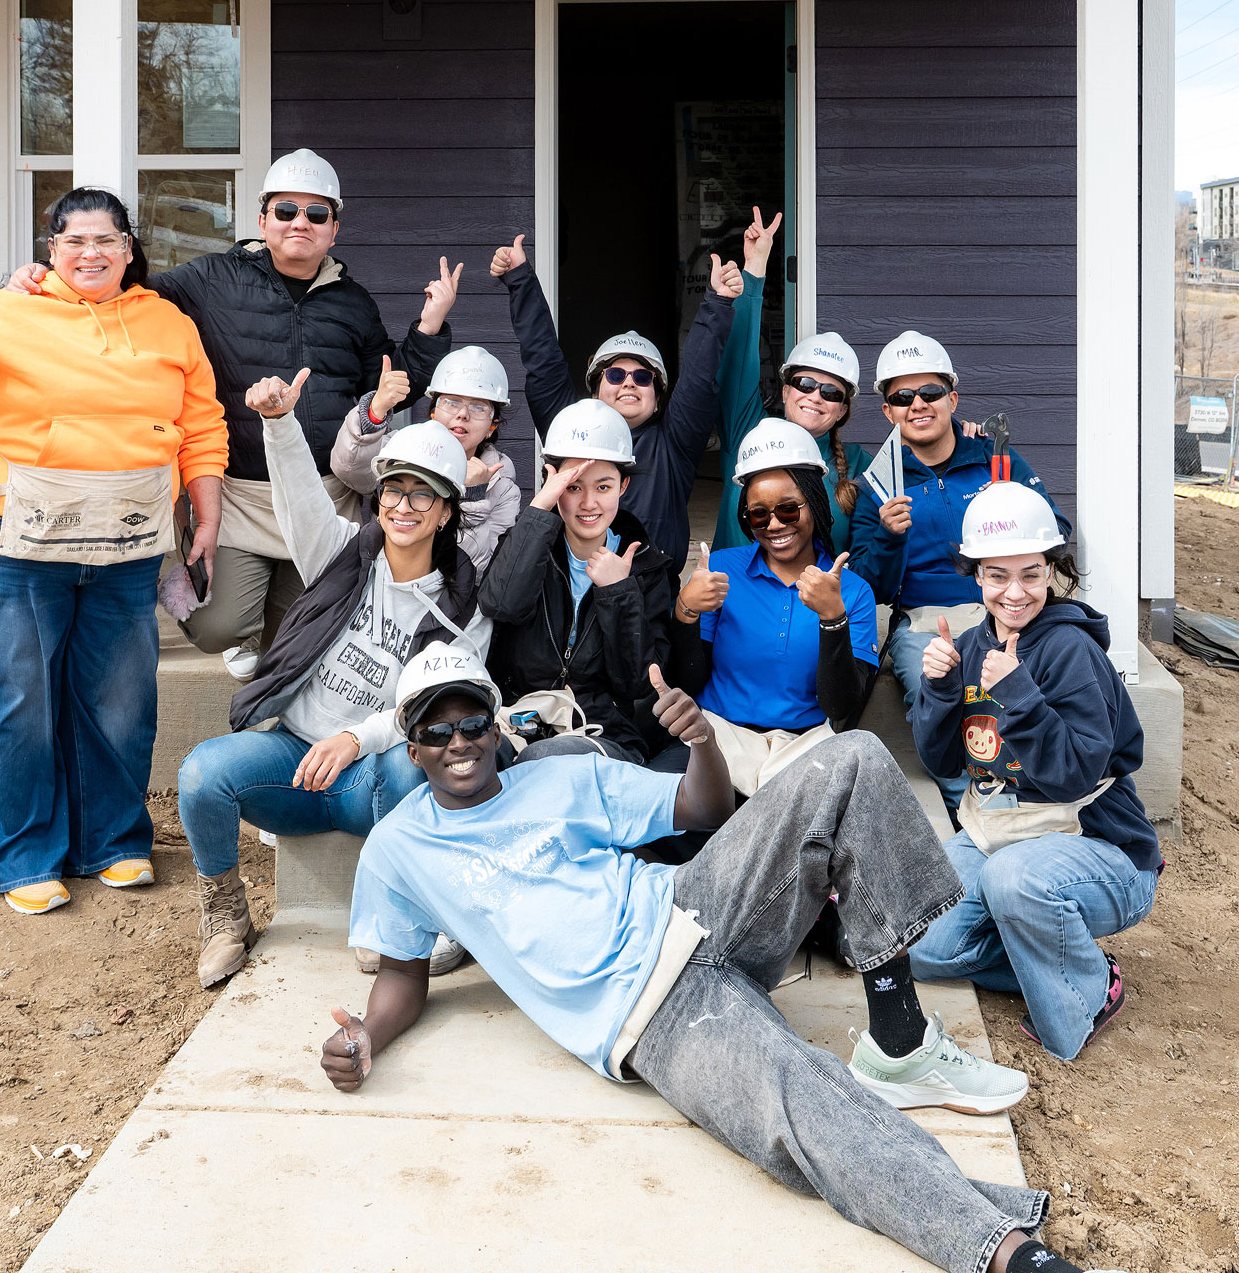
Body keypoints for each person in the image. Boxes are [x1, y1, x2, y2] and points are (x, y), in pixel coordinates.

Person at [316, 644, 1122, 1273]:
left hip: (696, 904)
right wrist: (367, 1040)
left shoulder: (560, 777)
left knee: (853, 760)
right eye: (435, 729)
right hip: (653, 1015)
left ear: (493, 725)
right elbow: (401, 978)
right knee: (804, 1106)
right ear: (412, 746)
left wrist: (702, 743)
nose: (459, 743)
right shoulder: (398, 850)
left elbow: (702, 810)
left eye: (471, 723)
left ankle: (900, 1036)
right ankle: (1010, 1254)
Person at [0, 188, 230, 915]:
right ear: (51, 250)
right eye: (74, 241)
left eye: (107, 240)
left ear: (131, 249)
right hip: (19, 532)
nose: (91, 253)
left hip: (128, 539)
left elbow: (201, 423)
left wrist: (207, 511)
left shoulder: (168, 323)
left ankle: (113, 839)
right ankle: (24, 852)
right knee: (20, 697)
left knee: (121, 697)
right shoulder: (3, 311)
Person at [11, 150, 458, 678]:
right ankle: (246, 631)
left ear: (333, 229)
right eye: (287, 210)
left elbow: (389, 387)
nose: (301, 223)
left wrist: (429, 328)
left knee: (307, 628)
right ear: (263, 218)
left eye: (317, 214)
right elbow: (121, 290)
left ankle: (276, 644)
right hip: (237, 497)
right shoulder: (212, 278)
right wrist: (42, 278)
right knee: (214, 625)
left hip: (319, 497)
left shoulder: (352, 302)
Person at [177, 376, 488, 987]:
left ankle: (407, 911)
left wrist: (356, 737)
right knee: (201, 775)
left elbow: (437, 710)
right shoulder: (342, 553)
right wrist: (280, 424)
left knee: (413, 763)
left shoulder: (462, 607)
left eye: (422, 496)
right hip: (294, 762)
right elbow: (300, 503)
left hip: (372, 777)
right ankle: (224, 914)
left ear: (447, 511)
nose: (403, 506)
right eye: (393, 490)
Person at [908, 482, 1162, 1062]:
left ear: (1053, 570)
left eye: (1031, 573)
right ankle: (1059, 952)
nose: (1015, 592)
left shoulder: (1071, 650)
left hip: (1102, 853)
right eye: (998, 575)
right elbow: (944, 762)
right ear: (976, 575)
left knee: (1012, 881)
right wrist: (943, 690)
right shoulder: (972, 645)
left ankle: (1089, 990)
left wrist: (1018, 691)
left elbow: (1075, 774)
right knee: (924, 944)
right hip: (1001, 836)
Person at [848, 330, 1070, 813]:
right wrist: (888, 536)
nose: (918, 405)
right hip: (928, 620)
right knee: (942, 703)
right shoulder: (880, 483)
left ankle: (1040, 801)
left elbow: (1057, 528)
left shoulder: (995, 460)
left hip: (1008, 607)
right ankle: (972, 815)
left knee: (1040, 687)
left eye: (929, 392)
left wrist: (1006, 521)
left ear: (952, 397)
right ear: (887, 411)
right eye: (902, 397)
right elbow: (870, 585)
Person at [489, 232, 739, 565]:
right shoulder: (569, 432)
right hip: (574, 590)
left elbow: (697, 376)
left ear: (658, 395)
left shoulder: (674, 444)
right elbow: (544, 361)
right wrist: (520, 279)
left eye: (642, 377)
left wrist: (717, 303)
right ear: (595, 389)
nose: (629, 384)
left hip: (652, 597)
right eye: (616, 375)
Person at [661, 419, 878, 801]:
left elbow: (841, 705)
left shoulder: (853, 592)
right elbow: (688, 681)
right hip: (718, 733)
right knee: (660, 795)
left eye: (789, 510)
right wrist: (685, 611)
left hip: (804, 746)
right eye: (759, 514)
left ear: (814, 502)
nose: (774, 524)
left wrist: (833, 620)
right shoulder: (723, 570)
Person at [477, 400, 678, 764]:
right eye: (573, 487)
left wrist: (619, 592)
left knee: (554, 759)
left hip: (601, 732)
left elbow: (637, 683)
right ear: (552, 483)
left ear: (624, 486)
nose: (589, 503)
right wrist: (538, 510)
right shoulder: (525, 546)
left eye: (604, 487)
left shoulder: (647, 568)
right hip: (516, 721)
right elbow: (500, 604)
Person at [710, 208, 868, 554]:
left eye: (830, 392)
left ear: (843, 410)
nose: (815, 396)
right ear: (785, 391)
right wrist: (754, 270)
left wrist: (967, 440)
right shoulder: (748, 430)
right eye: (805, 384)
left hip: (815, 604)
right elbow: (736, 362)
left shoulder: (857, 464)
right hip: (737, 602)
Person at [331, 345, 522, 572]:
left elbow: (478, 570)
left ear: (492, 426)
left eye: (479, 407)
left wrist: (472, 497)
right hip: (384, 581)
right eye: (451, 402)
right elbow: (349, 469)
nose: (462, 414)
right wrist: (376, 410)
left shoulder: (503, 488)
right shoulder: (400, 449)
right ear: (433, 411)